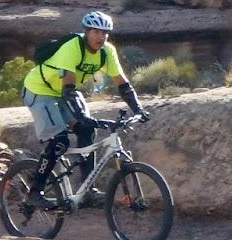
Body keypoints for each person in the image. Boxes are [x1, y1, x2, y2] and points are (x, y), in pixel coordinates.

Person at [21, 11, 147, 206]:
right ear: (86, 32)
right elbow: (68, 88)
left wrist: (138, 109)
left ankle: (87, 191)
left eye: (105, 32)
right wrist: (81, 116)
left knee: (87, 129)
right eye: (96, 31)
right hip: (40, 90)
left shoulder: (107, 51)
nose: (101, 37)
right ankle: (35, 192)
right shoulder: (72, 47)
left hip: (63, 92)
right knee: (60, 141)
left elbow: (123, 84)